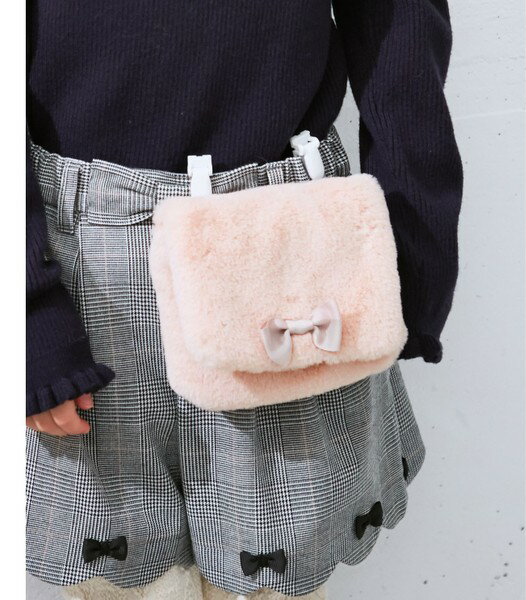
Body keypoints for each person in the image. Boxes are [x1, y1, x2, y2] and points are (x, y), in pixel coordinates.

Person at [26, 1, 462, 598]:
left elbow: (397, 20)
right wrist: (26, 315)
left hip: (285, 243)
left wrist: (413, 253)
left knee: (273, 582)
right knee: (119, 583)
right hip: (82, 263)